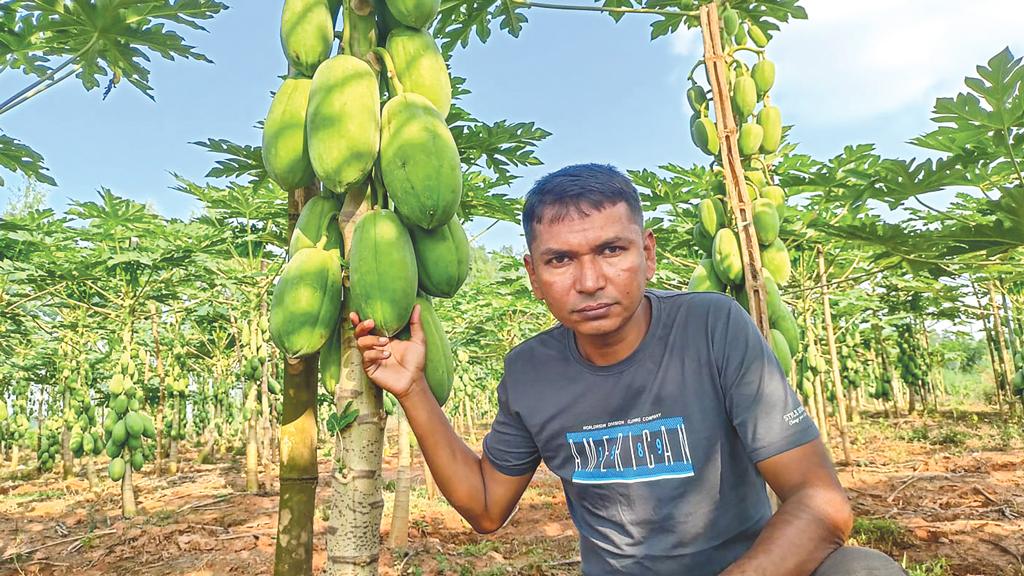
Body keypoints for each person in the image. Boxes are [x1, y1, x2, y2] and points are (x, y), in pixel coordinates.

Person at [351, 164, 906, 575]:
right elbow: (485, 508)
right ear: (533, 273)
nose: (589, 281)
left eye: (612, 250)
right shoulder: (529, 371)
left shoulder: (714, 327)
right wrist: (413, 390)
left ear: (648, 253)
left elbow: (820, 503)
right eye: (561, 259)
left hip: (754, 568)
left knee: (864, 571)